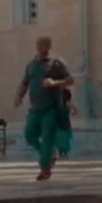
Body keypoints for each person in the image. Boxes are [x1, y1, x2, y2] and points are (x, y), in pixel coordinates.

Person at [14, 36, 74, 181]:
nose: (43, 47)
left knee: (47, 138)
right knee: (29, 135)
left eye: (46, 44)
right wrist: (19, 96)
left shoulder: (56, 64)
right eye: (40, 44)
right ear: (37, 46)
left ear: (49, 46)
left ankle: (45, 168)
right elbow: (25, 82)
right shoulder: (31, 65)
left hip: (51, 108)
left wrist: (54, 83)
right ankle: (49, 154)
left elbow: (70, 80)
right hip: (35, 108)